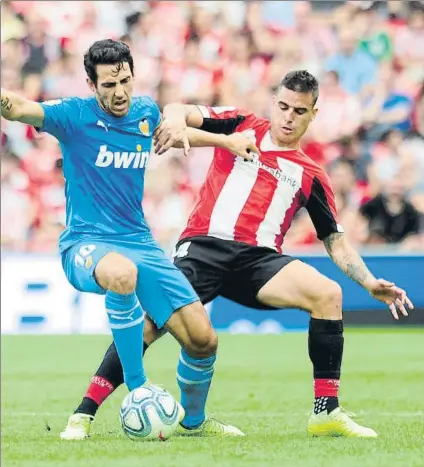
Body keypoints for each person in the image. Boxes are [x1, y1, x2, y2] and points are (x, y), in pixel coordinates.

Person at [62, 70, 414, 440]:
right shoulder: (241, 123)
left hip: (259, 261)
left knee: (328, 295)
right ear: (273, 103)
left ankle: (326, 412)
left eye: (298, 110)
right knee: (151, 323)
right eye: (282, 106)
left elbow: (336, 242)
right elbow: (180, 109)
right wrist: (179, 124)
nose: (288, 117)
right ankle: (84, 412)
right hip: (204, 248)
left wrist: (370, 281)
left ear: (313, 114)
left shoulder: (311, 174)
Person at [1, 39, 258, 440]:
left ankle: (193, 423)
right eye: (108, 85)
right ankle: (138, 392)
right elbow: (17, 108)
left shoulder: (143, 112)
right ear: (91, 84)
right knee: (121, 275)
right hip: (86, 243)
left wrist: (227, 141)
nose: (119, 92)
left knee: (203, 340)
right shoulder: (72, 116)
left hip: (140, 241)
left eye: (125, 80)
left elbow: (175, 133)